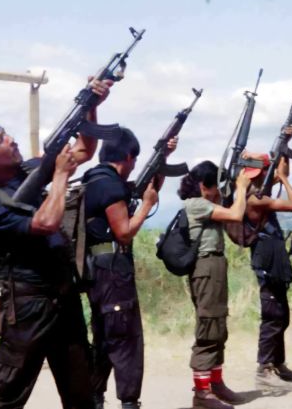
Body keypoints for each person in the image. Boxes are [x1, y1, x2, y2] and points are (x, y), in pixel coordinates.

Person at [0, 76, 111, 409]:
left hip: (62, 297)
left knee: (82, 392)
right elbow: (46, 222)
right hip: (27, 306)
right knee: (7, 395)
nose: (11, 140)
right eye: (1, 139)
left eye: (5, 132)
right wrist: (59, 178)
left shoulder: (29, 170)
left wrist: (92, 107)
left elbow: (83, 150)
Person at [82, 129, 176, 409]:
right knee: (126, 339)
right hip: (112, 272)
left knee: (104, 336)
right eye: (134, 160)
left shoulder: (95, 180)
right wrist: (146, 206)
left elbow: (145, 187)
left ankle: (95, 398)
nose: (135, 165)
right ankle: (129, 402)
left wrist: (163, 158)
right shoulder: (110, 187)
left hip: (97, 270)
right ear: (127, 156)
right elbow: (123, 232)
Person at [178, 161, 252, 409]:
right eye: (215, 187)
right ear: (203, 186)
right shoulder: (196, 204)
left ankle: (215, 384)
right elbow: (235, 214)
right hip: (205, 268)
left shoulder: (206, 203)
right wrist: (241, 188)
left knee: (218, 325)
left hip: (214, 267)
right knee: (209, 326)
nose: (218, 193)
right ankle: (202, 393)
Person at [240, 151, 292, 387]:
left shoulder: (259, 190)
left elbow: (282, 172)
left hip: (271, 255)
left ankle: (278, 363)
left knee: (281, 315)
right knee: (273, 315)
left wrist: (284, 151)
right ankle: (264, 368)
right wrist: (284, 180)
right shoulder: (255, 198)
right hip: (266, 257)